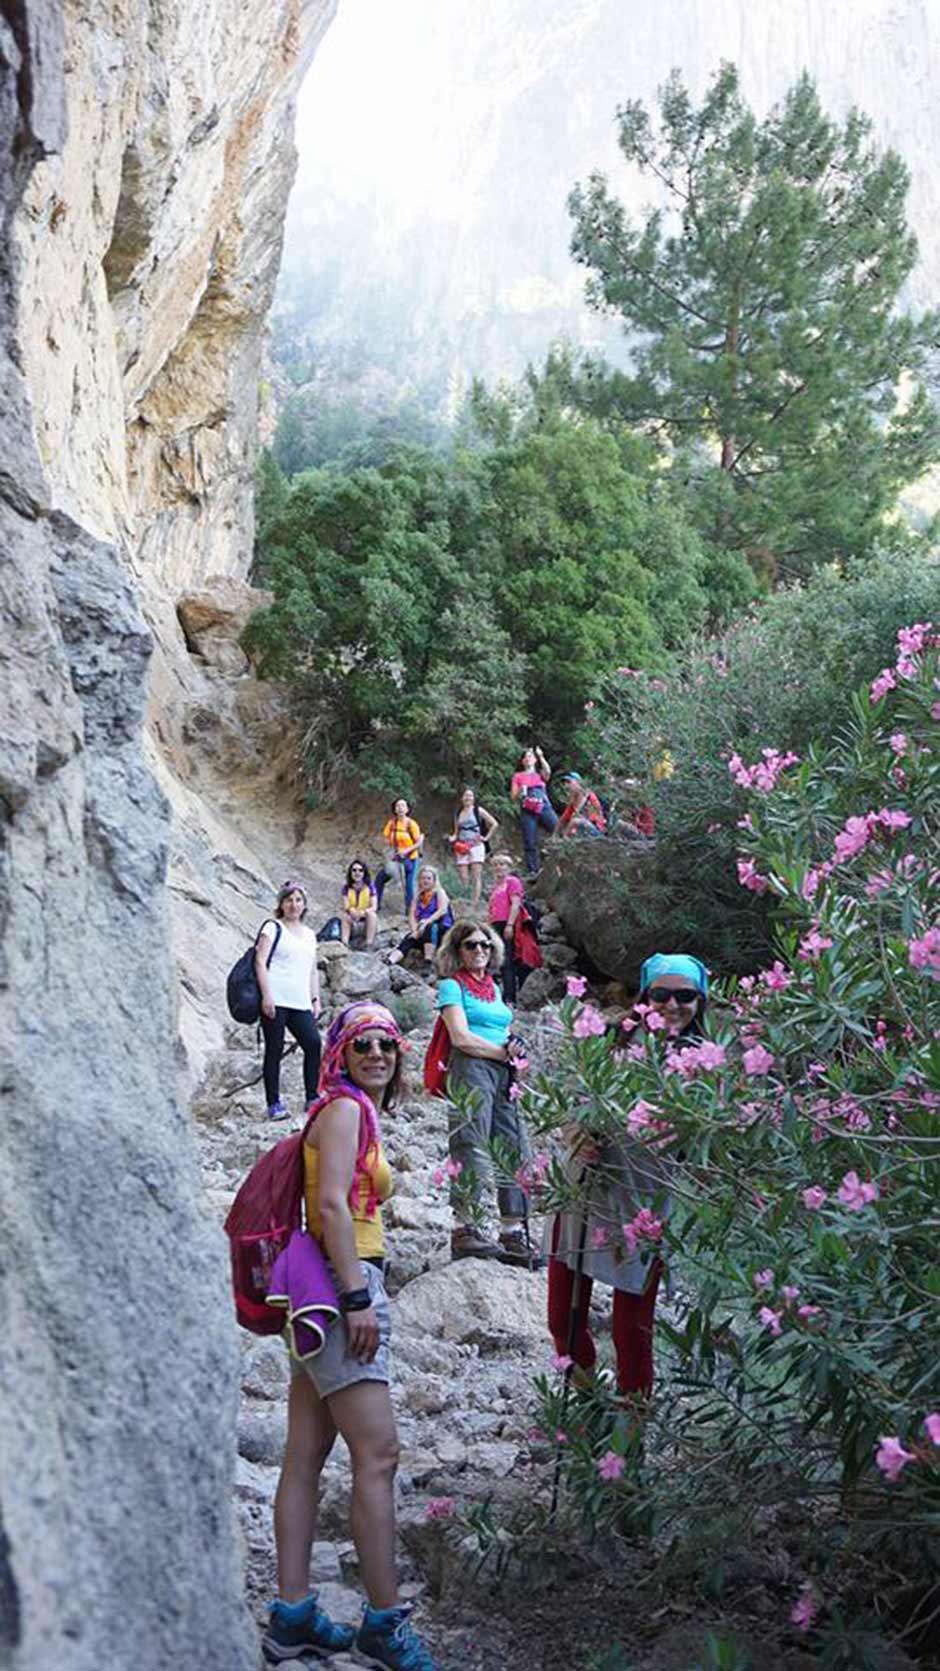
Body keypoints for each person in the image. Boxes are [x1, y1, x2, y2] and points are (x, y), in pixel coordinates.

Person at [263, 1001, 441, 1671]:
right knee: (378, 1453)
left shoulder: (348, 1108)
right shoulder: (341, 1111)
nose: (376, 1053)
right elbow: (332, 1203)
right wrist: (358, 1296)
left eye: (388, 1045)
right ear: (339, 1049)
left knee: (305, 1453)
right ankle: (383, 1625)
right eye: (363, 1042)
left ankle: (293, 1615)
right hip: (343, 1289)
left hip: (321, 1291)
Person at [546, 953, 709, 1401]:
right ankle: (588, 1406)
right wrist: (576, 1132)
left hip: (646, 1203)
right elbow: (568, 1097)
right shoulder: (612, 1042)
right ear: (644, 996)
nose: (672, 1005)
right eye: (661, 994)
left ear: (701, 1001)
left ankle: (630, 1438)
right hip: (583, 1190)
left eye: (685, 996)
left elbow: (705, 1145)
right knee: (564, 1318)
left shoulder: (707, 1066)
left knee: (632, 1330)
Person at [436, 918, 536, 1266]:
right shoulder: (452, 987)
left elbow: (501, 1027)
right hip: (471, 1065)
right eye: (471, 945)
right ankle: (465, 1228)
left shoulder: (492, 988)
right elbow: (460, 1036)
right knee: (470, 1141)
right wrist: (502, 1054)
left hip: (501, 1070)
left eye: (485, 945)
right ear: (457, 951)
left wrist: (513, 1048)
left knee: (512, 1143)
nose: (479, 950)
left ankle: (512, 1230)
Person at [255, 881, 323, 1121]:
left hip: (300, 1000)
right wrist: (266, 995)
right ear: (281, 904)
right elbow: (260, 961)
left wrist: (315, 999)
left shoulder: (309, 934)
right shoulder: (272, 928)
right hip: (276, 996)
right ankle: (273, 1103)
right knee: (274, 1049)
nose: (294, 905)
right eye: (289, 900)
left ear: (304, 905)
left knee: (313, 1044)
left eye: (298, 900)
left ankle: (312, 1096)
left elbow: (312, 969)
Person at [487, 852, 542, 1005]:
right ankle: (505, 995)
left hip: (507, 923)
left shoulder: (512, 882)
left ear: (509, 867)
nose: (498, 867)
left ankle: (509, 997)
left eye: (502, 864)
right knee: (501, 960)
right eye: (496, 864)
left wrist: (510, 925)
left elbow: (515, 904)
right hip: (496, 924)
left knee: (508, 960)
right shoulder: (496, 886)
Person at [388, 864, 453, 971]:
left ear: (434, 880)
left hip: (442, 928)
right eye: (423, 878)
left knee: (430, 928)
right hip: (422, 928)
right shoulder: (418, 896)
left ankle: (428, 961)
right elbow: (412, 915)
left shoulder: (439, 892)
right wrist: (414, 930)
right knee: (410, 938)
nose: (425, 881)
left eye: (428, 878)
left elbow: (442, 910)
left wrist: (426, 922)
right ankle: (391, 960)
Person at [446, 786, 498, 907]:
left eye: (470, 795)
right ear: (461, 798)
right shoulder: (458, 813)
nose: (467, 798)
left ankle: (475, 902)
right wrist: (452, 838)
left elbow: (494, 823)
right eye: (465, 795)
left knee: (476, 874)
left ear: (474, 798)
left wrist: (486, 838)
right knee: (463, 875)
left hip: (476, 845)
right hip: (462, 845)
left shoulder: (478, 810)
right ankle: (466, 898)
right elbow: (456, 831)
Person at [510, 745, 557, 878]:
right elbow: (513, 797)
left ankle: (556, 857)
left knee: (558, 828)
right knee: (529, 840)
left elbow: (547, 773)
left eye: (530, 756)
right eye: (525, 757)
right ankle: (533, 871)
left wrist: (541, 756)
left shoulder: (539, 775)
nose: (527, 758)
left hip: (543, 806)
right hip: (527, 809)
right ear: (522, 761)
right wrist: (521, 790)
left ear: (535, 760)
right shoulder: (518, 776)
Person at [374, 798, 423, 913]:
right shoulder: (392, 823)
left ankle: (410, 911)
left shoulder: (412, 824)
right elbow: (385, 838)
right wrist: (386, 848)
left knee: (409, 885)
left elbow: (419, 842)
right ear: (394, 809)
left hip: (411, 858)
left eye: (403, 806)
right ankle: (375, 905)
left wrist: (406, 851)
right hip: (396, 859)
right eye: (398, 806)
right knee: (380, 879)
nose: (400, 808)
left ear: (407, 809)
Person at [556, 771, 607, 838]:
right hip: (583, 830)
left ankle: (564, 842)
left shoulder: (590, 798)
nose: (566, 786)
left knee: (575, 822)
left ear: (578, 783)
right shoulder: (573, 802)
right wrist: (554, 835)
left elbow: (595, 818)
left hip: (596, 830)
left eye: (569, 782)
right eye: (565, 783)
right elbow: (563, 819)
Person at [341, 860, 378, 947]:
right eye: (354, 870)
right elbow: (346, 906)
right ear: (350, 872)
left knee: (372, 915)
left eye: (360, 870)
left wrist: (363, 912)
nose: (357, 873)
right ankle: (344, 943)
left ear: (364, 872)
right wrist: (351, 910)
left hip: (366, 920)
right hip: (353, 919)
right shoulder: (346, 888)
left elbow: (374, 906)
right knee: (345, 916)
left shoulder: (370, 886)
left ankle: (369, 944)